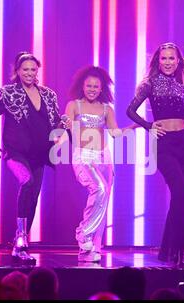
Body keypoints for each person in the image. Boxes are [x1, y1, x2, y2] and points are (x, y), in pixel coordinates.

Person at [126, 42, 184, 267]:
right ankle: (176, 247)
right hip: (164, 145)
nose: (168, 62)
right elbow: (130, 111)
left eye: (172, 58)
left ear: (178, 61)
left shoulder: (182, 85)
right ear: (157, 61)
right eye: (164, 59)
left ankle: (173, 251)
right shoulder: (150, 84)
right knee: (179, 192)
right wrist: (149, 125)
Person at [0, 52, 63, 264]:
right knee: (26, 182)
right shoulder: (7, 93)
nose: (29, 73)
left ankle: (22, 242)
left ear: (37, 71)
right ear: (17, 71)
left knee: (34, 196)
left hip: (40, 153)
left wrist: (59, 137)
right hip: (15, 152)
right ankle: (20, 239)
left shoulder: (48, 94)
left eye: (33, 69)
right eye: (25, 69)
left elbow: (56, 123)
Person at [63, 66, 137, 262]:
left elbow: (114, 132)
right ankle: (83, 233)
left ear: (101, 88)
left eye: (96, 86)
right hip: (83, 156)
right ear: (82, 86)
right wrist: (66, 126)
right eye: (89, 85)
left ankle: (90, 250)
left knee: (103, 203)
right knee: (100, 190)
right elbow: (67, 126)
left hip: (104, 158)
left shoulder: (106, 109)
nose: (92, 89)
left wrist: (135, 126)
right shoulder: (74, 105)